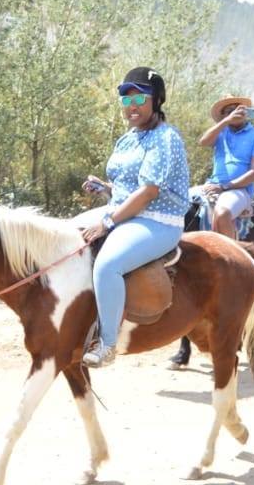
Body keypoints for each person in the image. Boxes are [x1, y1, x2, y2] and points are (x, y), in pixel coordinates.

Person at [73, 67, 190, 368]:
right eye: (126, 100)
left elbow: (148, 193)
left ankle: (108, 343)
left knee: (108, 265)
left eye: (139, 98)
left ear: (157, 100)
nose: (132, 106)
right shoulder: (128, 138)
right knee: (65, 236)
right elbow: (128, 190)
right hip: (125, 210)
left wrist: (108, 222)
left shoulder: (165, 139)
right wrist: (107, 189)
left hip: (158, 220)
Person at [192, 96, 254, 239]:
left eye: (238, 109)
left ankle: (232, 256)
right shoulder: (221, 132)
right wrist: (226, 121)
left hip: (239, 190)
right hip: (212, 185)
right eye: (229, 111)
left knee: (222, 212)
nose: (235, 113)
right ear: (223, 116)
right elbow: (203, 142)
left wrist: (224, 187)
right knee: (177, 202)